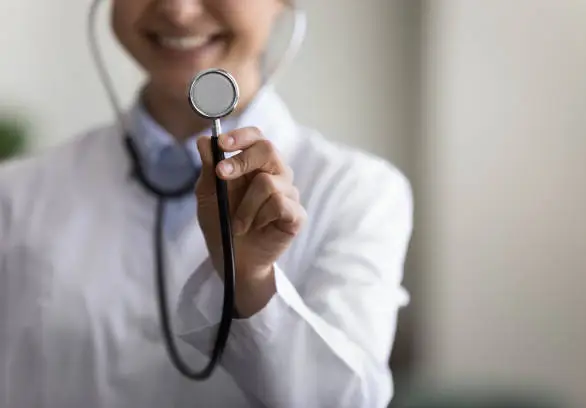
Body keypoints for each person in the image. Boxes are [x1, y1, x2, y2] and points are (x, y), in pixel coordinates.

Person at [0, 0, 413, 407]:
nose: (178, 10)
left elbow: (343, 402)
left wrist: (250, 282)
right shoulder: (15, 194)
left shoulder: (357, 192)